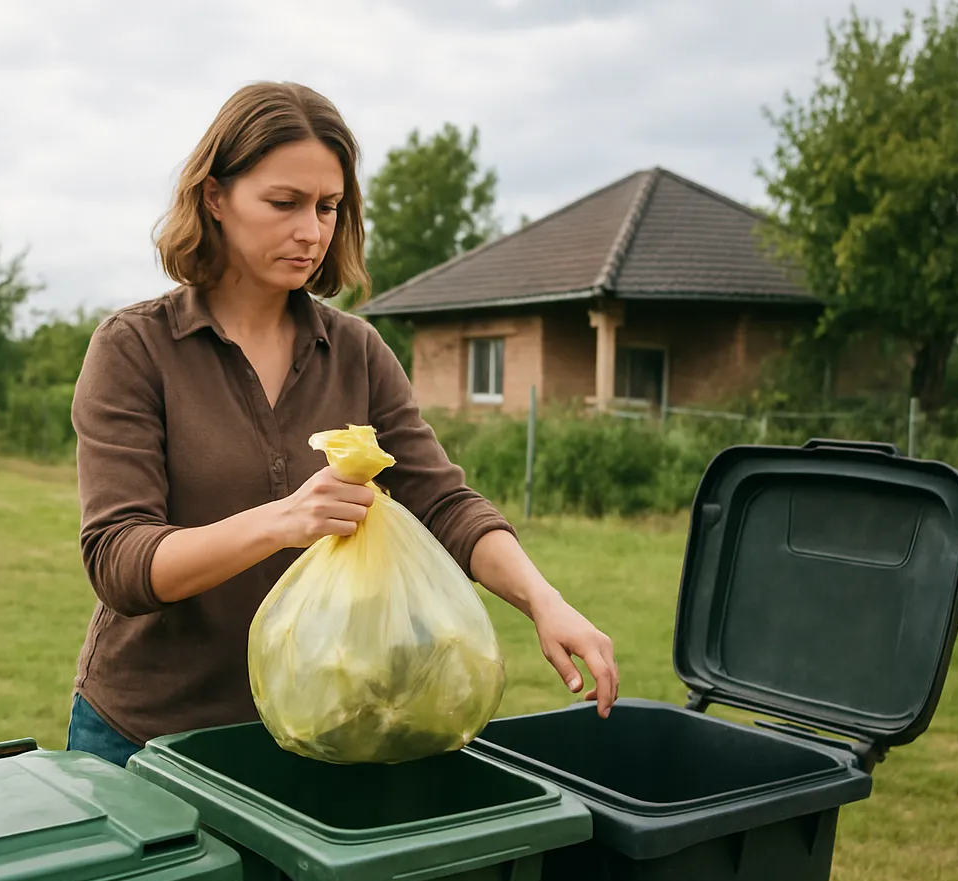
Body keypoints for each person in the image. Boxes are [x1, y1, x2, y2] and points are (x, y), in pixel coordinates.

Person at [66, 81, 618, 768]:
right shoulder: (134, 348)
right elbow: (119, 562)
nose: (311, 231)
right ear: (215, 197)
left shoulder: (356, 352)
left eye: (328, 206)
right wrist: (282, 520)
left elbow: (444, 503)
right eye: (284, 203)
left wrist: (544, 600)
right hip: (146, 737)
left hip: (321, 729)